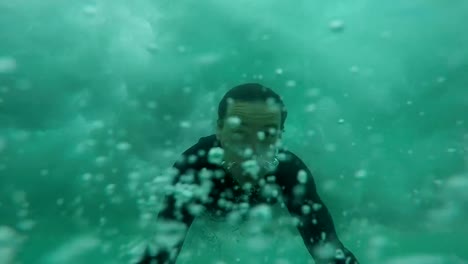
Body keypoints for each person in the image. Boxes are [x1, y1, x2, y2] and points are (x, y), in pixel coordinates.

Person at [137, 83, 359, 264]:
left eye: (267, 134)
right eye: (240, 133)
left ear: (280, 137)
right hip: (208, 216)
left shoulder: (290, 171)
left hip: (270, 211)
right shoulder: (194, 167)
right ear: (220, 130)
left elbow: (330, 252)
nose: (252, 149)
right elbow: (161, 252)